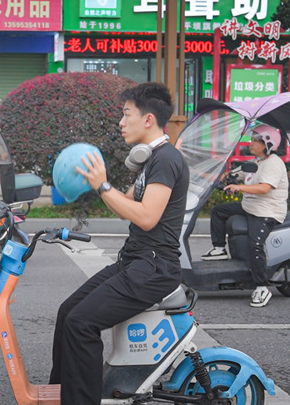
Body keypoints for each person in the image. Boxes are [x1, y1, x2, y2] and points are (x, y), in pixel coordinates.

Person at [49, 82, 189, 404]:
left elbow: (146, 217)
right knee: (67, 312)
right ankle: (63, 393)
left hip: (153, 267)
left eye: (127, 115)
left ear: (149, 119)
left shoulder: (166, 160)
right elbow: (127, 202)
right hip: (135, 261)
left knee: (82, 324)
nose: (121, 123)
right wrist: (96, 183)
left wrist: (101, 187)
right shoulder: (149, 161)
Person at [202, 124, 289, 308]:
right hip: (249, 206)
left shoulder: (274, 163)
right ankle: (219, 248)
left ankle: (262, 286)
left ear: (268, 144)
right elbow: (238, 174)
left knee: (255, 244)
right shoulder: (256, 162)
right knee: (219, 211)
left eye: (255, 141)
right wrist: (221, 177)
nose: (251, 143)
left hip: (266, 211)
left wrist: (239, 187)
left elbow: (265, 188)